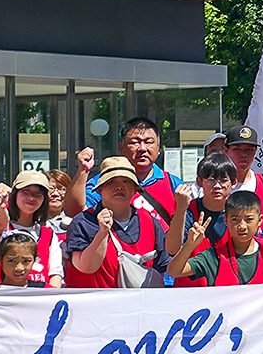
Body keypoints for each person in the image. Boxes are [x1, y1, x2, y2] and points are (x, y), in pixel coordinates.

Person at [64, 156, 169, 288]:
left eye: (126, 181)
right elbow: (85, 267)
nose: (119, 187)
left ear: (135, 190)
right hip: (93, 305)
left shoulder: (149, 221)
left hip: (138, 305)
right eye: (112, 182)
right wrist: (102, 233)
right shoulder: (83, 221)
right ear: (100, 189)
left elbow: (163, 267)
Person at [167, 190, 263, 290]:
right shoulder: (215, 256)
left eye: (248, 219)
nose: (242, 226)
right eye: (235, 220)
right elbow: (174, 271)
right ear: (226, 221)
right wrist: (190, 245)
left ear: (259, 220)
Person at [66, 117, 181, 222]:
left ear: (158, 148)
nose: (142, 148)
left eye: (149, 142)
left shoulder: (173, 184)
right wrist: (83, 171)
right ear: (121, 147)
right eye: (134, 142)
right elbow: (74, 212)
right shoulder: (104, 182)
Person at [0, 169, 66, 287]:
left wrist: (50, 298)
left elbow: (55, 274)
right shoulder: (2, 226)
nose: (31, 198)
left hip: (39, 300)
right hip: (5, 299)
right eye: (26, 192)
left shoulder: (48, 234)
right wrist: (1, 207)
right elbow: (0, 225)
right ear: (14, 194)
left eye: (38, 194)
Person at [168, 153, 239, 263]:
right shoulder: (189, 210)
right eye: (211, 180)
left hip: (229, 278)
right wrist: (181, 209)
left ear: (233, 182)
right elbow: (172, 250)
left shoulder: (239, 211)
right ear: (200, 182)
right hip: (193, 278)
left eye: (223, 180)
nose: (217, 186)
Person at [223, 125, 263, 235]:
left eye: (249, 150)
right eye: (237, 149)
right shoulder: (217, 187)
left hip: (261, 250)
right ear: (226, 150)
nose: (243, 154)